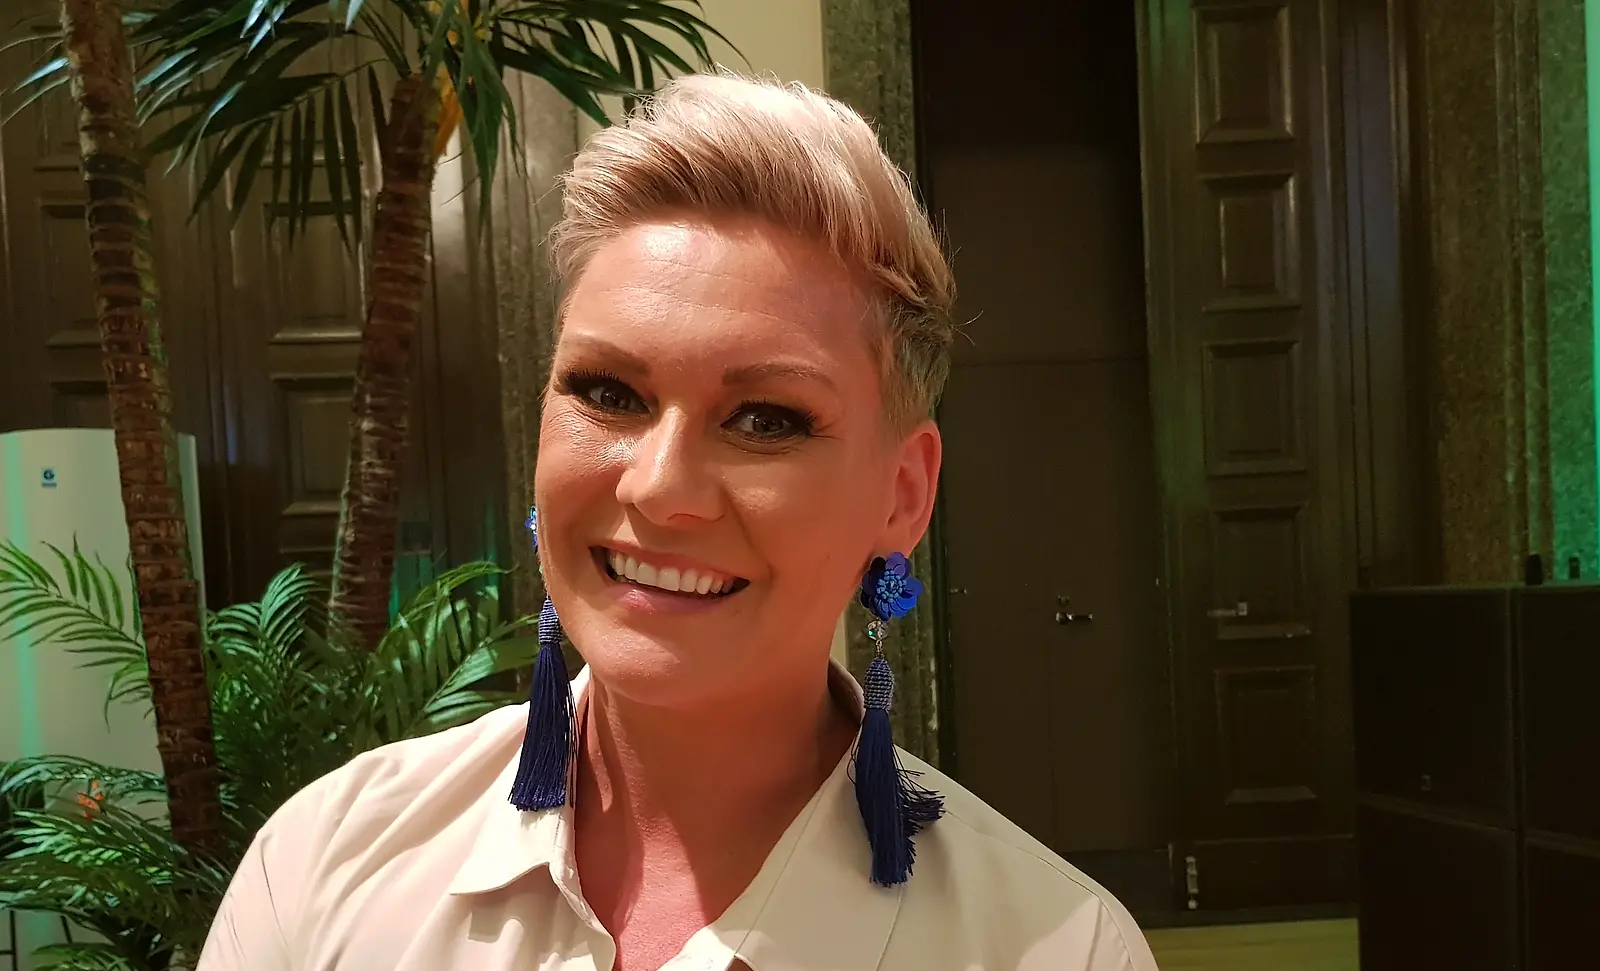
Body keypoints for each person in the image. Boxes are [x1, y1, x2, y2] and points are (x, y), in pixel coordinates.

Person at [196, 72, 1160, 971]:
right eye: (608, 392)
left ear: (902, 493)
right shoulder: (329, 864)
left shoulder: (1055, 949)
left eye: (766, 419)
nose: (658, 489)